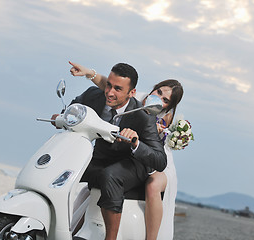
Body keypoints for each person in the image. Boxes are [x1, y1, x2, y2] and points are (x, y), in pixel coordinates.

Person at [69, 61, 183, 240]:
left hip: (145, 161)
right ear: (155, 88)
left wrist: (138, 141)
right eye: (159, 92)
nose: (159, 98)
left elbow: (159, 159)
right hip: (115, 154)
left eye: (165, 100)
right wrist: (88, 73)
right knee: (76, 168)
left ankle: (148, 237)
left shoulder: (154, 117)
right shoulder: (131, 96)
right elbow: (110, 86)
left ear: (169, 106)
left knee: (150, 185)